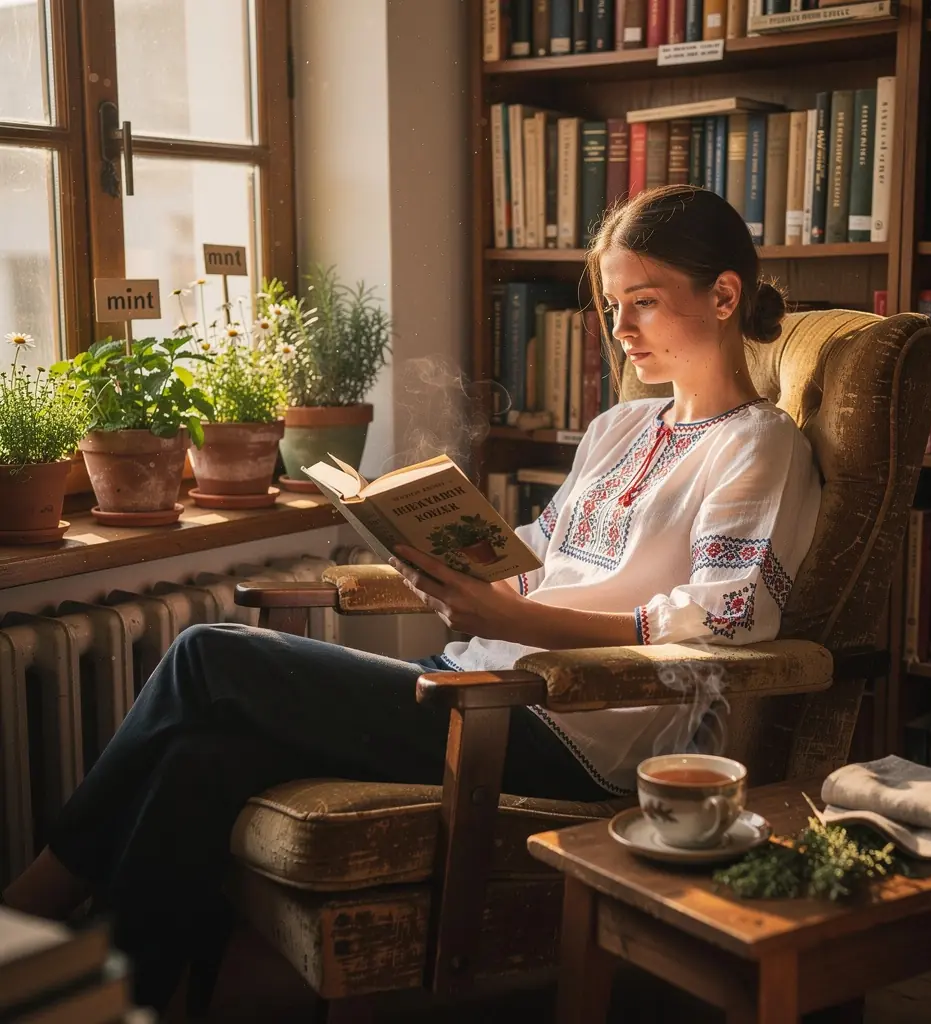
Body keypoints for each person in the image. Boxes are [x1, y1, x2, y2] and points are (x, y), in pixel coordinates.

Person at [1, 184, 822, 1011]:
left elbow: (731, 613)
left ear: (723, 295)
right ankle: (114, 1000)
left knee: (207, 656)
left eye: (643, 303)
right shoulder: (623, 428)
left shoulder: (759, 444)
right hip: (473, 673)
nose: (620, 329)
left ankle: (23, 918)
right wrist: (449, 559)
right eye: (612, 305)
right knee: (202, 756)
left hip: (562, 728)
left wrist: (515, 619)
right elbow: (544, 554)